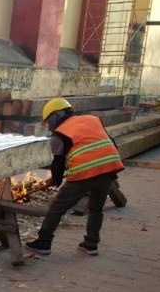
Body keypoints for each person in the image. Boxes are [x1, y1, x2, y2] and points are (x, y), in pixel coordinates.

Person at [25, 98, 125, 257]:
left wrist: (55, 180)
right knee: (96, 208)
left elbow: (58, 164)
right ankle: (91, 244)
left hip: (84, 172)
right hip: (109, 167)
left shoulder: (59, 134)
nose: (49, 127)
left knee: (57, 207)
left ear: (57, 115)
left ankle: (43, 242)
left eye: (48, 121)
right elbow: (111, 143)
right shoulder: (92, 119)